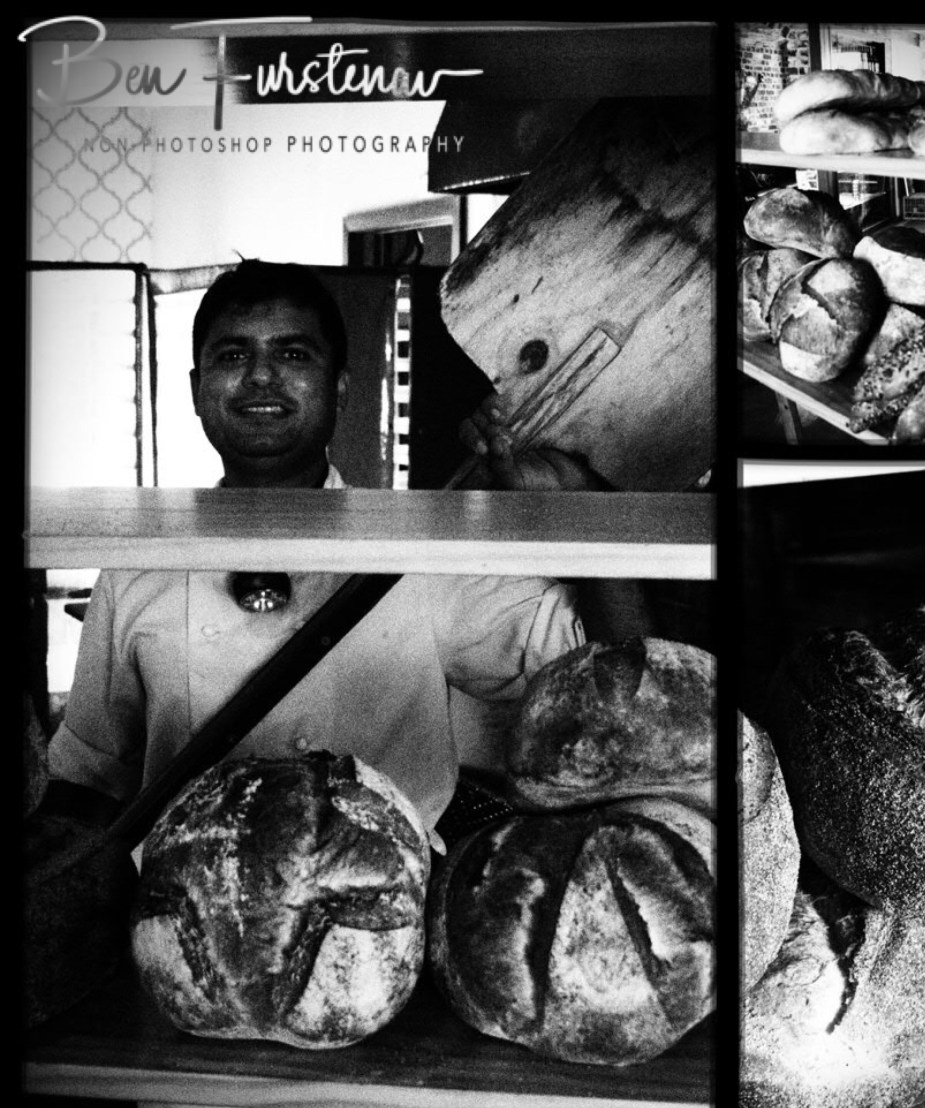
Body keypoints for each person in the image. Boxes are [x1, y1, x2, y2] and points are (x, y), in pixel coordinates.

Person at [44, 259, 644, 841]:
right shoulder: (139, 563)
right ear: (199, 392)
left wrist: (577, 498)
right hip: (184, 909)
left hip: (389, 912)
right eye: (233, 355)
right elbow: (88, 780)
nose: (259, 376)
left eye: (293, 353)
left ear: (340, 390)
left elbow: (615, 678)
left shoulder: (420, 551)